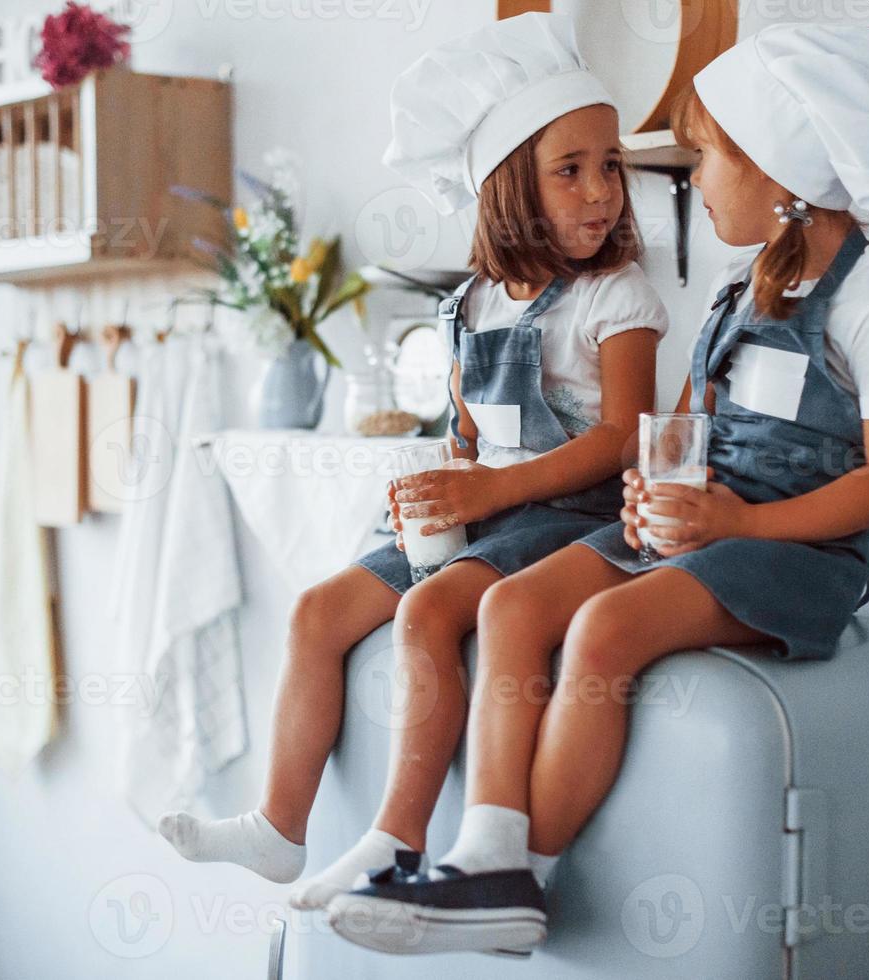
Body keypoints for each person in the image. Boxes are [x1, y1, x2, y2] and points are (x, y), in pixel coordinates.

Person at [327, 23, 869, 956]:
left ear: (779, 176)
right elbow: (681, 426)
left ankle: (524, 875)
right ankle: (482, 856)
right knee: (516, 607)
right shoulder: (743, 287)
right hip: (707, 528)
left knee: (604, 629)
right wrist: (655, 492)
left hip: (799, 553)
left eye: (708, 157)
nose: (694, 177)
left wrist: (742, 519)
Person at [156, 11, 670, 915]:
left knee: (430, 612)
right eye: (572, 169)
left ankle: (395, 840)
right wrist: (443, 487)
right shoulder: (469, 302)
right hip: (491, 509)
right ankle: (280, 827)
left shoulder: (615, 296)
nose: (601, 192)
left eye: (610, 165)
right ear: (510, 188)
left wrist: (493, 486)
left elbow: (625, 435)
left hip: (570, 517)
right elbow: (468, 438)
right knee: (317, 614)